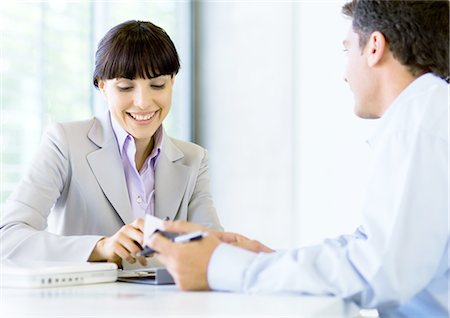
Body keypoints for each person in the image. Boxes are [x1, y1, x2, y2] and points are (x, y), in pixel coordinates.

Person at [146, 1, 449, 317]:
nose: (345, 74)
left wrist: (220, 266)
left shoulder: (422, 118)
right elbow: (370, 247)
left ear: (374, 47)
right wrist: (266, 262)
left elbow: (380, 271)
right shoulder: (425, 113)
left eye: (347, 51)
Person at [0, 20, 222, 267]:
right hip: (84, 303)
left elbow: (212, 250)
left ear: (172, 82)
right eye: (126, 87)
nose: (142, 102)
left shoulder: (193, 159)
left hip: (168, 304)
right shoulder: (65, 142)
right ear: (103, 87)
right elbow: (7, 236)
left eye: (158, 85)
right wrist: (99, 247)